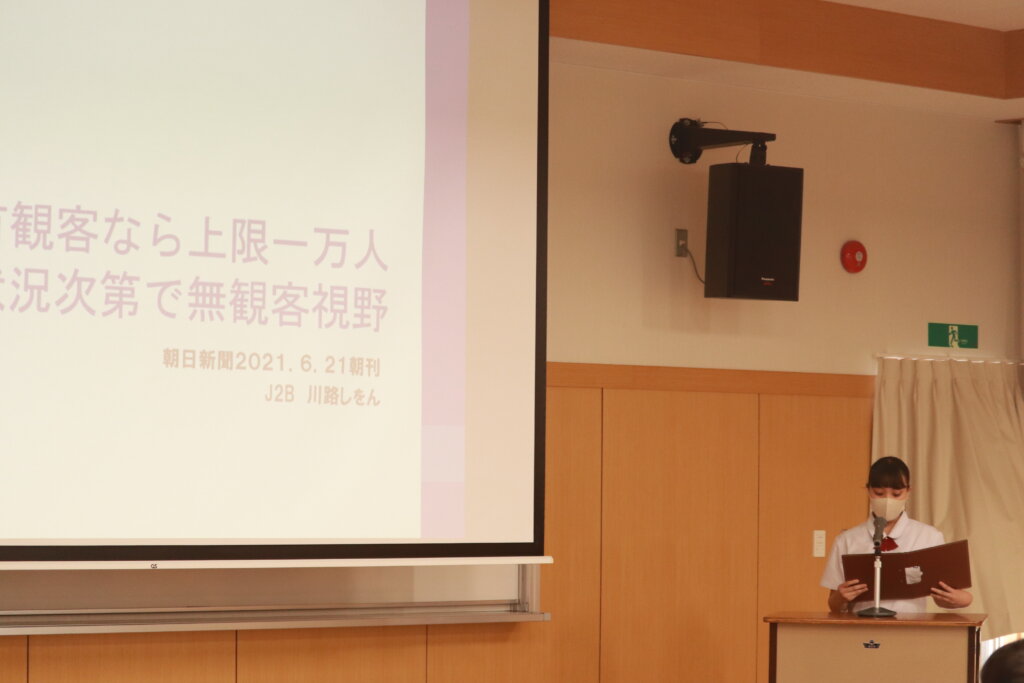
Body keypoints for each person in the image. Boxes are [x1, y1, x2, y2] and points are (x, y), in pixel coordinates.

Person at [820, 456, 973, 613]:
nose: (887, 500)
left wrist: (960, 599)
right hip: (863, 625)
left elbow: (944, 596)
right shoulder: (847, 540)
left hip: (911, 625)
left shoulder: (929, 536)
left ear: (908, 492)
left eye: (896, 494)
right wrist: (841, 597)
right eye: (879, 493)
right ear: (869, 490)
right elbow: (834, 605)